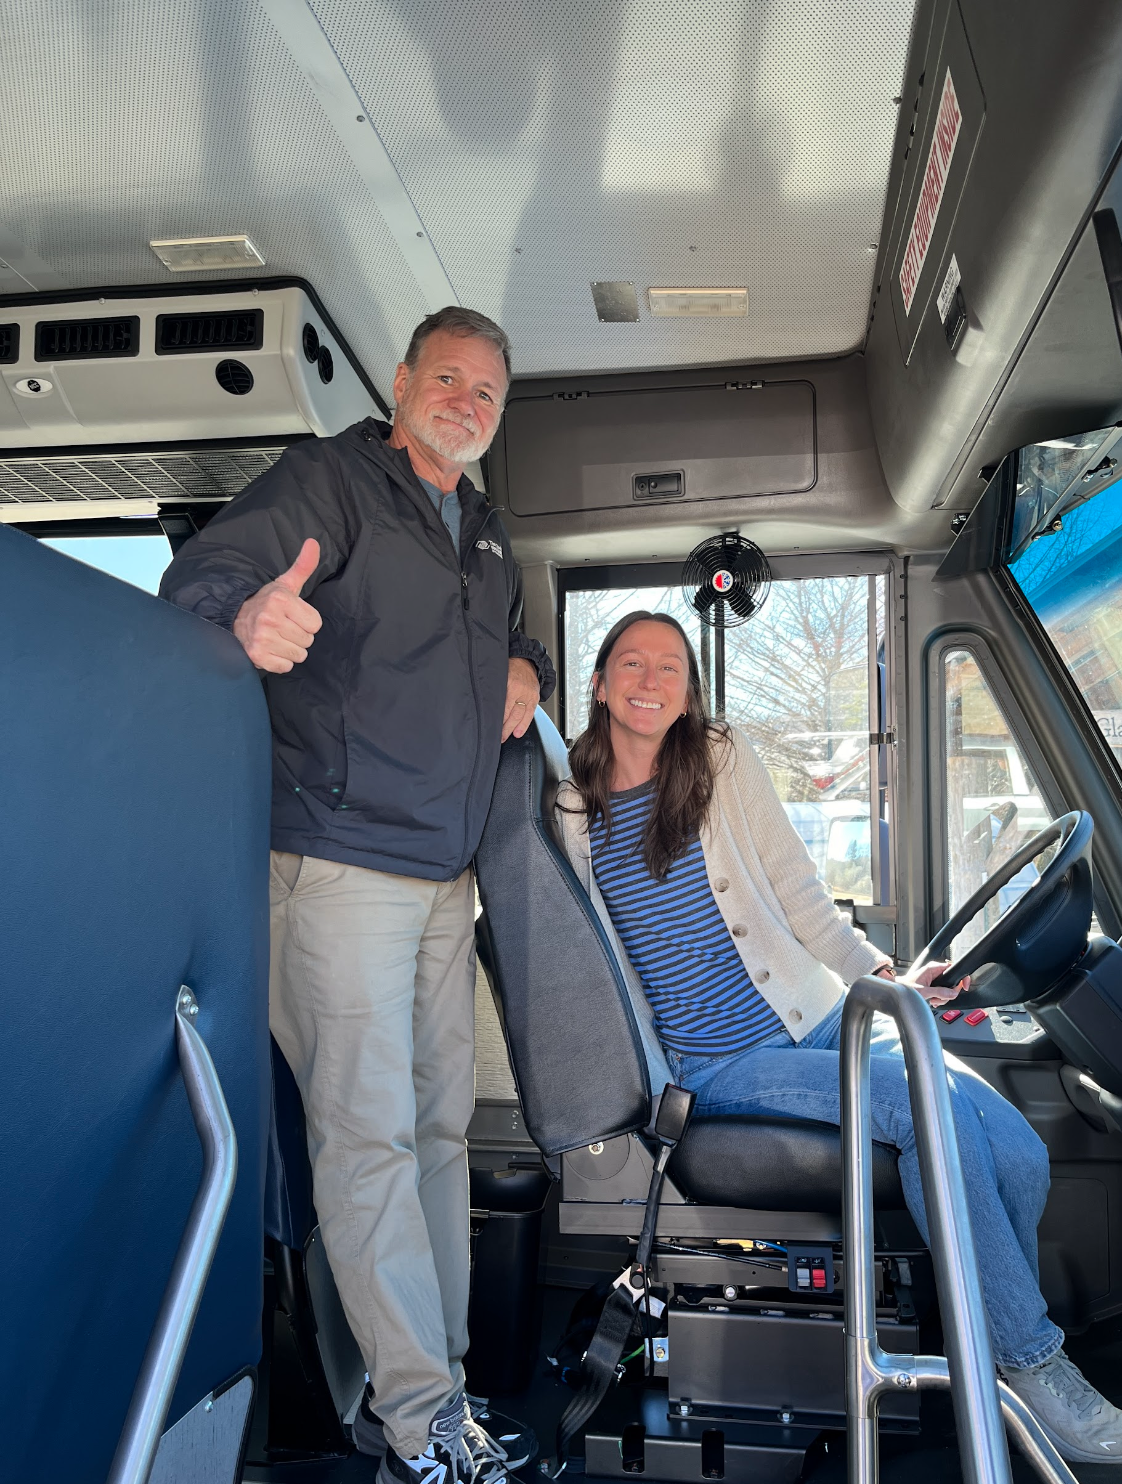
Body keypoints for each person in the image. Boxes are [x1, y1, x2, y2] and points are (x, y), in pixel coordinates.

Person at [554, 609, 1122, 1466]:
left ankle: (982, 1343)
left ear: (687, 692)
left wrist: (883, 977)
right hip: (720, 1064)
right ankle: (1033, 1368)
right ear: (598, 684)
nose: (649, 679)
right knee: (920, 1108)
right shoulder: (569, 803)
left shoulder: (719, 757)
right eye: (629, 662)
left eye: (669, 666)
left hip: (817, 1015)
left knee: (1018, 1153)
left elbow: (798, 890)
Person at [161, 307, 554, 1484]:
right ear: (402, 382)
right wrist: (244, 616)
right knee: (372, 1140)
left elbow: (516, 648)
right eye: (449, 377)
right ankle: (421, 1425)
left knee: (439, 1133)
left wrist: (528, 665)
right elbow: (206, 572)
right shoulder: (330, 480)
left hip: (443, 881)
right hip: (334, 865)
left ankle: (450, 1393)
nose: (468, 403)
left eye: (488, 390)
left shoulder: (486, 536)